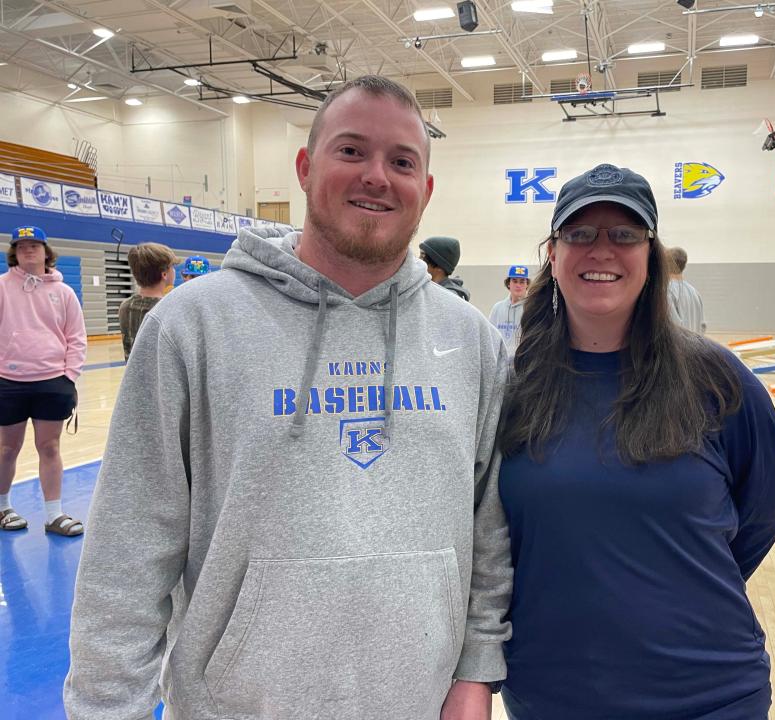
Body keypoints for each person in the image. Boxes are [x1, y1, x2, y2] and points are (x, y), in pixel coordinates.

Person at [65, 76, 512, 720]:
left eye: (402, 161)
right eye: (352, 151)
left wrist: (475, 670)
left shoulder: (469, 340)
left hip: (420, 700)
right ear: (305, 168)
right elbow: (129, 549)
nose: (377, 177)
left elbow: (489, 525)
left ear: (427, 188)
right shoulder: (193, 326)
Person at [496, 164, 775, 719]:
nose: (601, 250)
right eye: (579, 234)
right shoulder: (514, 386)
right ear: (553, 255)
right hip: (552, 692)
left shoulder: (718, 380)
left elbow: (763, 511)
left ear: (651, 257)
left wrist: (676, 589)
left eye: (624, 235)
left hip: (708, 693)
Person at [0, 225, 87, 536]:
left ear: (46, 251)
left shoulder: (63, 293)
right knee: (7, 448)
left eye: (34, 245)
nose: (28, 250)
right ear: (14, 253)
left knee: (49, 447)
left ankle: (54, 515)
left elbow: (76, 337)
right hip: (8, 381)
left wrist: (69, 376)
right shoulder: (2, 287)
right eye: (21, 246)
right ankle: (2, 507)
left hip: (52, 381)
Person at [118, 242, 178, 361]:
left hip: (133, 376)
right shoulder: (170, 309)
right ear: (164, 274)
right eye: (172, 267)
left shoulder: (124, 306)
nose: (174, 271)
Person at [488, 265, 529, 355]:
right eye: (514, 281)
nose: (518, 285)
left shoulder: (531, 309)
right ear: (508, 284)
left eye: (522, 282)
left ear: (527, 285)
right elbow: (490, 337)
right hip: (500, 365)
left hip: (523, 364)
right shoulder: (497, 308)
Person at [666, 246, 706, 335]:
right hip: (696, 347)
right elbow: (702, 326)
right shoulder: (695, 292)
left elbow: (673, 328)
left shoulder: (667, 291)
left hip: (678, 348)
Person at [420, 235, 470, 300]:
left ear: (439, 266)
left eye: (422, 255)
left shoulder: (448, 298)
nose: (418, 260)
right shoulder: (429, 289)